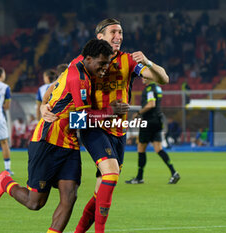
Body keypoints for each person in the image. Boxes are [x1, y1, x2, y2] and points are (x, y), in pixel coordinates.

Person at [41, 18, 169, 233]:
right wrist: (44, 104)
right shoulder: (84, 61)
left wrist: (148, 61)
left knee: (103, 189)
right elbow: (57, 85)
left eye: (120, 32)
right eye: (113, 32)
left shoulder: (128, 61)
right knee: (110, 175)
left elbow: (163, 78)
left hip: (119, 131)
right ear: (100, 35)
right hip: (94, 126)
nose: (118, 36)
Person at [0, 39, 124, 233]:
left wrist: (44, 103)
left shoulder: (77, 65)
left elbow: (52, 86)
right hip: (47, 140)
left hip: (70, 143)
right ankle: (4, 182)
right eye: (101, 64)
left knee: (69, 197)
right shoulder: (79, 79)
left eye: (107, 63)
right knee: (35, 203)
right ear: (89, 59)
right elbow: (80, 120)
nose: (105, 68)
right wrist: (110, 110)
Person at [125, 80, 180, 185]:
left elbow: (151, 104)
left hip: (149, 121)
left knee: (141, 148)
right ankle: (174, 172)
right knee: (158, 149)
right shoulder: (158, 88)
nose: (142, 78)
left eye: (145, 76)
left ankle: (139, 177)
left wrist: (138, 113)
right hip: (158, 121)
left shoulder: (149, 89)